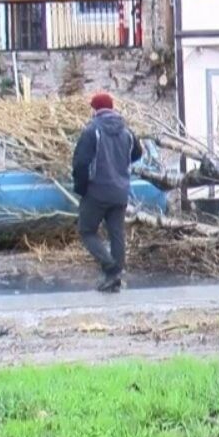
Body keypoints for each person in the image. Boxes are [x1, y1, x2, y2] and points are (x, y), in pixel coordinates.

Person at [72, 92, 143, 293]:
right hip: (120, 191)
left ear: (95, 109)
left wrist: (81, 188)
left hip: (97, 191)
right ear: (111, 108)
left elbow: (80, 163)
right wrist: (120, 163)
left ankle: (109, 266)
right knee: (116, 233)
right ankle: (115, 277)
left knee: (87, 230)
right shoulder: (127, 132)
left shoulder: (92, 131)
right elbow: (137, 153)